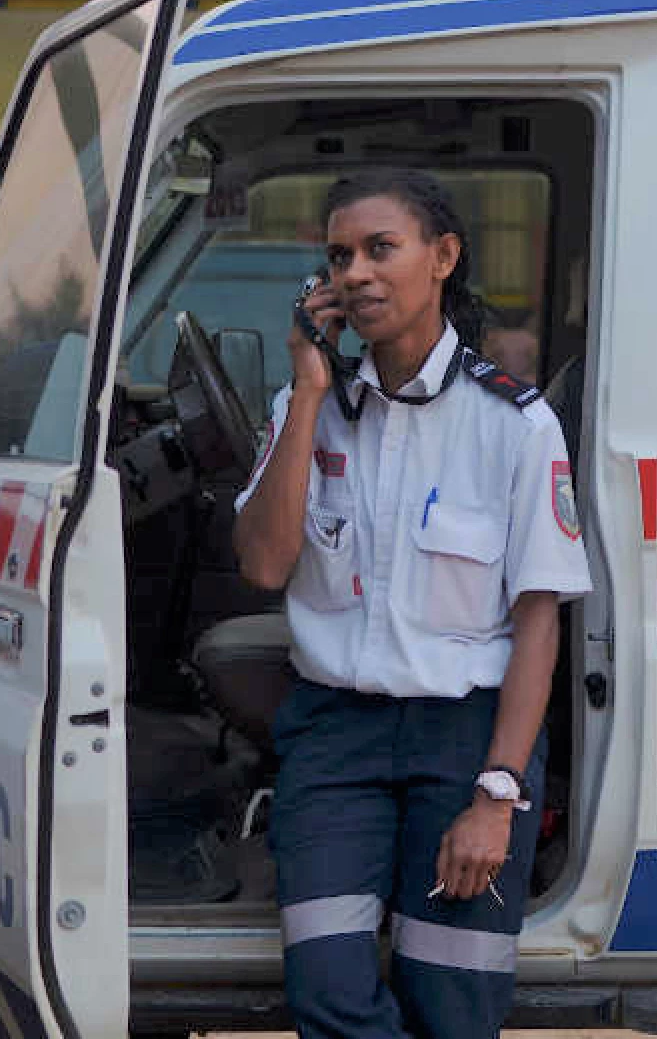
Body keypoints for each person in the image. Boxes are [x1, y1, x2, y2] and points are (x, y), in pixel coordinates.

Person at [232, 167, 591, 1039]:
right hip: (333, 737)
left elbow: (538, 623)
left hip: (464, 740)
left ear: (443, 258)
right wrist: (312, 392)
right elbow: (265, 565)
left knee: (453, 1006)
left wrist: (496, 796)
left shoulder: (514, 423)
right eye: (338, 255)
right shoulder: (303, 408)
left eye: (379, 249)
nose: (355, 272)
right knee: (326, 992)